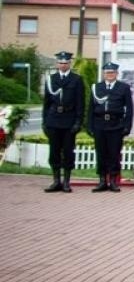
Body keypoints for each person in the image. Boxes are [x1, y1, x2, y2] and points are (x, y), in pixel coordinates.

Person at [41, 51, 84, 193]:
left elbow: (80, 103)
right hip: (53, 120)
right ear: (57, 64)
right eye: (60, 63)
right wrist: (45, 121)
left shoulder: (76, 79)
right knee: (54, 152)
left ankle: (66, 182)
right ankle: (55, 181)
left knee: (67, 151)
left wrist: (78, 122)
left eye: (65, 63)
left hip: (68, 120)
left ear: (69, 63)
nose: (63, 65)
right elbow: (46, 103)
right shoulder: (51, 79)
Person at [89, 60, 134, 192]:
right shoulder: (97, 87)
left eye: (112, 72)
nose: (110, 74)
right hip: (99, 124)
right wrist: (90, 126)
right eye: (107, 72)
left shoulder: (123, 88)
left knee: (114, 153)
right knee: (101, 153)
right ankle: (102, 180)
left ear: (116, 73)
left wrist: (127, 126)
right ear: (104, 74)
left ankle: (113, 180)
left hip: (116, 125)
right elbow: (91, 109)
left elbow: (129, 109)